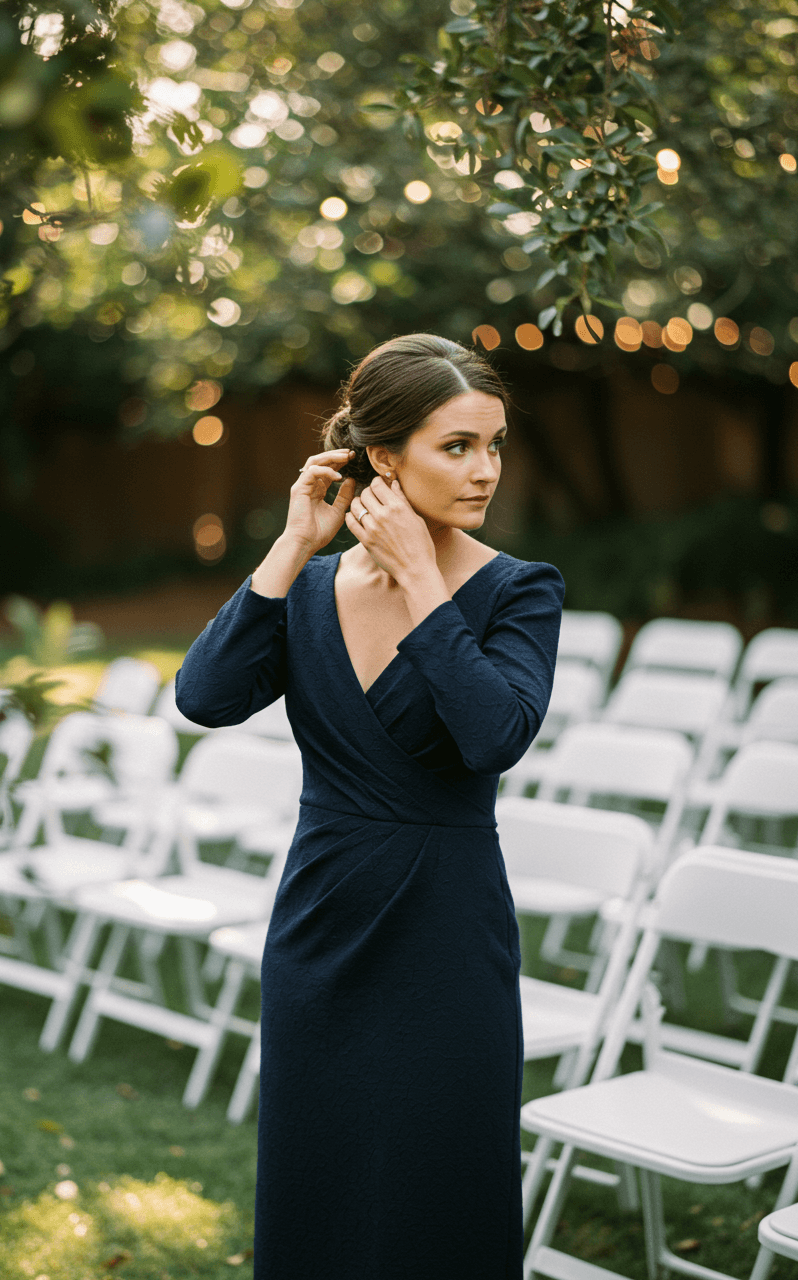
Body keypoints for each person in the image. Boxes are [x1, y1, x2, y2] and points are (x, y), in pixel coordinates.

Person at [175, 333, 564, 1279]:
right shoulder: (311, 588)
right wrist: (292, 545)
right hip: (321, 920)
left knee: (440, 1179)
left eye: (493, 444)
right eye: (456, 447)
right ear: (383, 457)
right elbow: (205, 697)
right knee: (319, 1173)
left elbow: (495, 736)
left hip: (445, 931)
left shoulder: (520, 591)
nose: (485, 470)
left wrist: (424, 579)